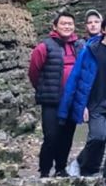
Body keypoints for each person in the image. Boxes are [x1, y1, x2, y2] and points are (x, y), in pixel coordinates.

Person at [60, 14, 106, 179]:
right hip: (96, 102)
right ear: (103, 29)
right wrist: (80, 106)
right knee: (98, 136)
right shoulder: (91, 50)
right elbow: (77, 78)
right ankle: (85, 167)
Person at [28, 11, 80, 177]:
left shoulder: (79, 46)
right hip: (51, 101)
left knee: (66, 137)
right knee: (51, 136)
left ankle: (60, 168)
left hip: (71, 101)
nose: (67, 26)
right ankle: (44, 170)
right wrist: (44, 89)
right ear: (55, 26)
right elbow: (33, 72)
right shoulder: (44, 47)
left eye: (70, 24)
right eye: (63, 24)